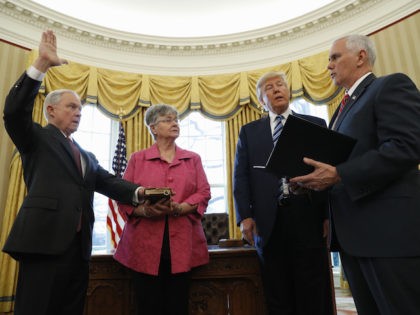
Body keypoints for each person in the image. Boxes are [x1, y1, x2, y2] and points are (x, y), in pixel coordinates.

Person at [2, 30, 147, 315]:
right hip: (43, 243)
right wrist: (41, 65)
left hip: (79, 249)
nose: (78, 113)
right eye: (71, 107)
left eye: (81, 108)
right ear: (51, 110)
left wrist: (140, 193)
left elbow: (109, 182)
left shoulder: (86, 155)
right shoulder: (36, 139)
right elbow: (13, 111)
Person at [290, 35, 420, 314]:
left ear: (361, 57)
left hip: (389, 236)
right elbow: (341, 165)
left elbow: (406, 146)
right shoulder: (342, 107)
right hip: (353, 238)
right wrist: (313, 182)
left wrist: (339, 174)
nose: (328, 66)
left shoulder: (389, 86)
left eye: (335, 57)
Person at [233, 71, 335, 315]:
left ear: (289, 91)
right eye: (269, 87)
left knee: (312, 289)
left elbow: (326, 172)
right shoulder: (249, 132)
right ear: (261, 101)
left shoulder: (314, 125)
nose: (277, 89)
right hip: (268, 222)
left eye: (280, 85)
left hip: (307, 216)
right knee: (277, 292)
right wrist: (244, 216)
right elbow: (241, 176)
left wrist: (326, 215)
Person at [114, 104, 211, 315]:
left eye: (176, 120)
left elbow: (203, 192)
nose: (175, 123)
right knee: (148, 306)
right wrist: (144, 212)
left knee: (177, 305)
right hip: (143, 246)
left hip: (183, 244)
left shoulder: (192, 159)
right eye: (168, 120)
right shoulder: (137, 159)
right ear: (153, 128)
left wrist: (181, 207)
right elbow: (122, 195)